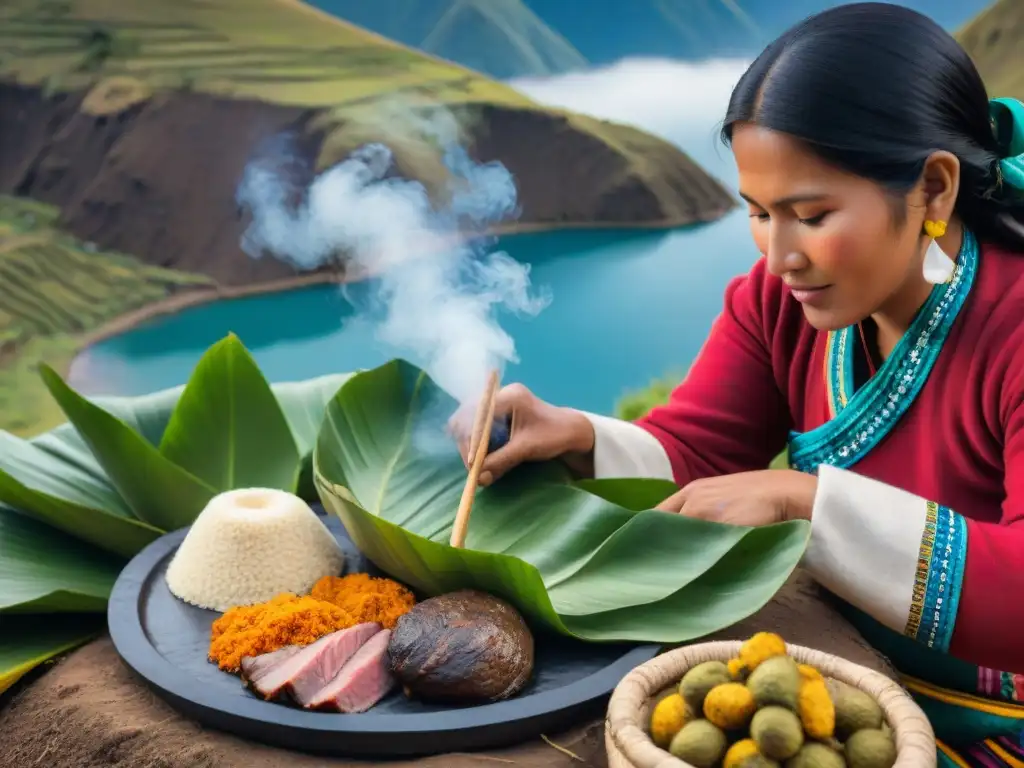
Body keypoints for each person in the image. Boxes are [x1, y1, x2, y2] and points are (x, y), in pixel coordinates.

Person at [450, 3, 1024, 765]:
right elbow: (698, 451)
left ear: (935, 189)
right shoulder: (775, 302)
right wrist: (580, 439)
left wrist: (803, 502)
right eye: (758, 213)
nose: (779, 254)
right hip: (832, 705)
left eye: (811, 214)